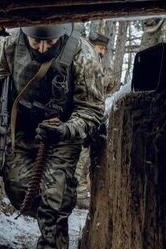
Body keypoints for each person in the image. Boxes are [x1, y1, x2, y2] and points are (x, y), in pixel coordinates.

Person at [0, 23, 104, 249]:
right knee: (20, 191)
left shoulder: (82, 53)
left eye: (49, 43)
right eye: (36, 43)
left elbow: (92, 109)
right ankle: (52, 223)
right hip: (21, 132)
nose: (43, 49)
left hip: (62, 135)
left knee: (55, 199)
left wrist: (68, 129)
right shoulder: (4, 46)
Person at [75, 31, 110, 209]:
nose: (102, 51)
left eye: (104, 48)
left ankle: (79, 193)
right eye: (99, 47)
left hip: (92, 120)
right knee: (79, 159)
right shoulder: (84, 61)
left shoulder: (101, 67)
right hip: (80, 119)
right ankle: (78, 195)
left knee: (85, 158)